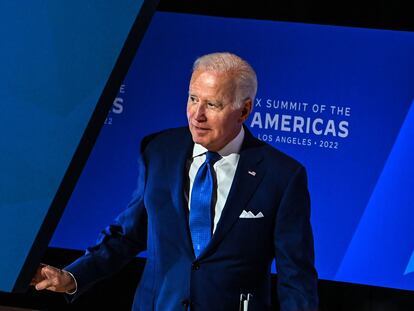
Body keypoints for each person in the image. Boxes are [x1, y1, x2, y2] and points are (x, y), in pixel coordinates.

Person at [32, 52, 319, 310]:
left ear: (244, 110)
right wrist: (72, 277)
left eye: (213, 104)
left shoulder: (281, 175)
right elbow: (127, 234)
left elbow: (296, 277)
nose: (197, 115)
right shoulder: (158, 151)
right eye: (193, 99)